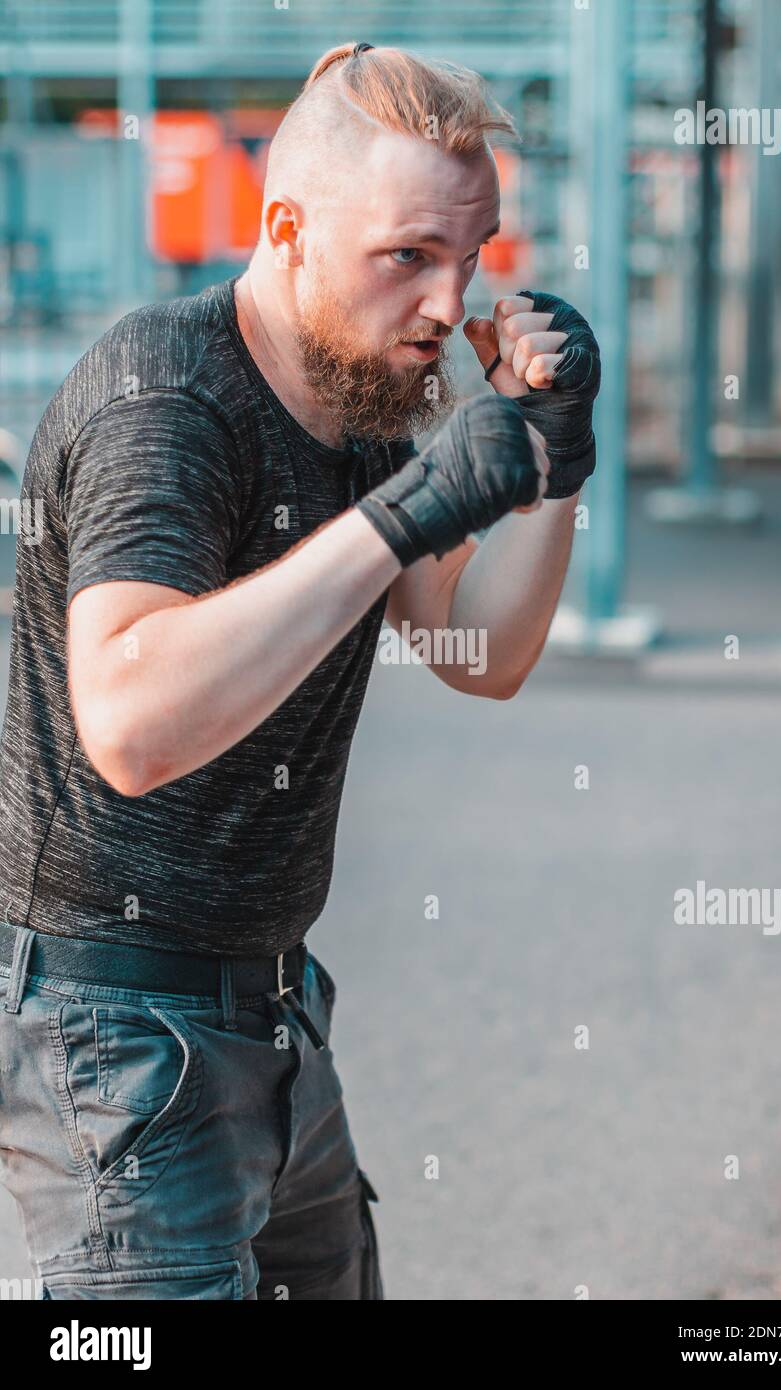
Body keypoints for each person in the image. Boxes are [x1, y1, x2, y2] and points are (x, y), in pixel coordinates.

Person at [0, 40, 600, 1300]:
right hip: (107, 1037)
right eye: (405, 258)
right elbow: (128, 719)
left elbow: (471, 649)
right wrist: (407, 513)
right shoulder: (166, 401)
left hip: (270, 1014)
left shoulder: (367, 400)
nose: (447, 303)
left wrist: (549, 467)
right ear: (285, 228)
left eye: (469, 254)